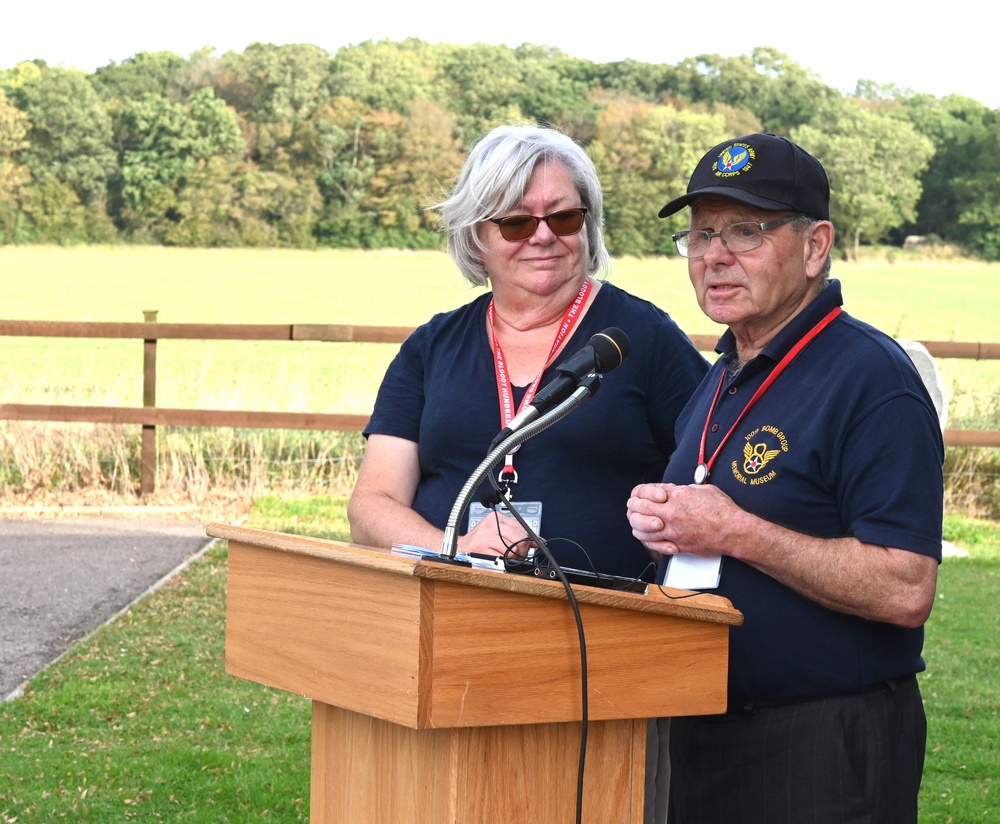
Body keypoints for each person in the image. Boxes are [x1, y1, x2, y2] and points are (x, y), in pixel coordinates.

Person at [627, 133, 944, 823]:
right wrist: (665, 525)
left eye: (747, 230)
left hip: (820, 744)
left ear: (815, 245)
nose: (715, 255)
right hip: (704, 730)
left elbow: (904, 586)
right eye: (702, 234)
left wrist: (735, 531)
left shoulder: (872, 380)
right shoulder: (720, 375)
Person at [348, 124, 709, 583]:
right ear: (477, 235)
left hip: (605, 627)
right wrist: (455, 552)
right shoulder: (430, 348)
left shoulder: (645, 338)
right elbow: (371, 507)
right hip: (450, 609)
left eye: (563, 218)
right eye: (516, 222)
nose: (542, 236)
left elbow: (708, 481)